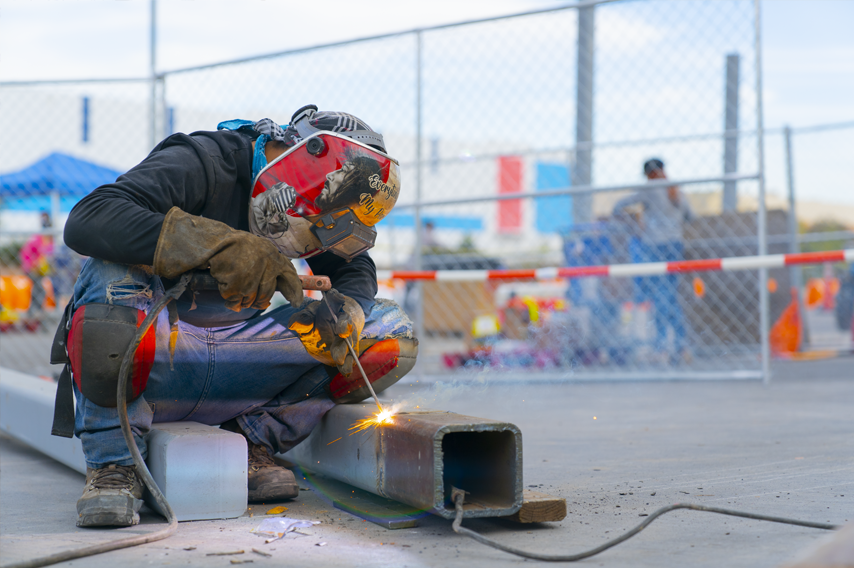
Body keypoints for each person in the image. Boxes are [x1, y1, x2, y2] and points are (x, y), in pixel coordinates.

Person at [53, 105, 417, 528]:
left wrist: (349, 309)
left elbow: (354, 268)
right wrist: (219, 245)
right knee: (109, 271)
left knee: (385, 330)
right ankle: (113, 466)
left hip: (238, 364)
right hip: (155, 355)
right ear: (303, 167)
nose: (317, 236)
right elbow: (89, 218)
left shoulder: (323, 205)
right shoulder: (206, 160)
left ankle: (250, 441)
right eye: (316, 220)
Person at [612, 158, 694, 363]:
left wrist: (635, 221)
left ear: (649, 174)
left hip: (654, 246)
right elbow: (690, 216)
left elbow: (618, 206)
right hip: (674, 245)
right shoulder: (674, 189)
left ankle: (662, 345)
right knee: (670, 295)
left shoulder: (649, 189)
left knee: (660, 296)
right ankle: (680, 345)